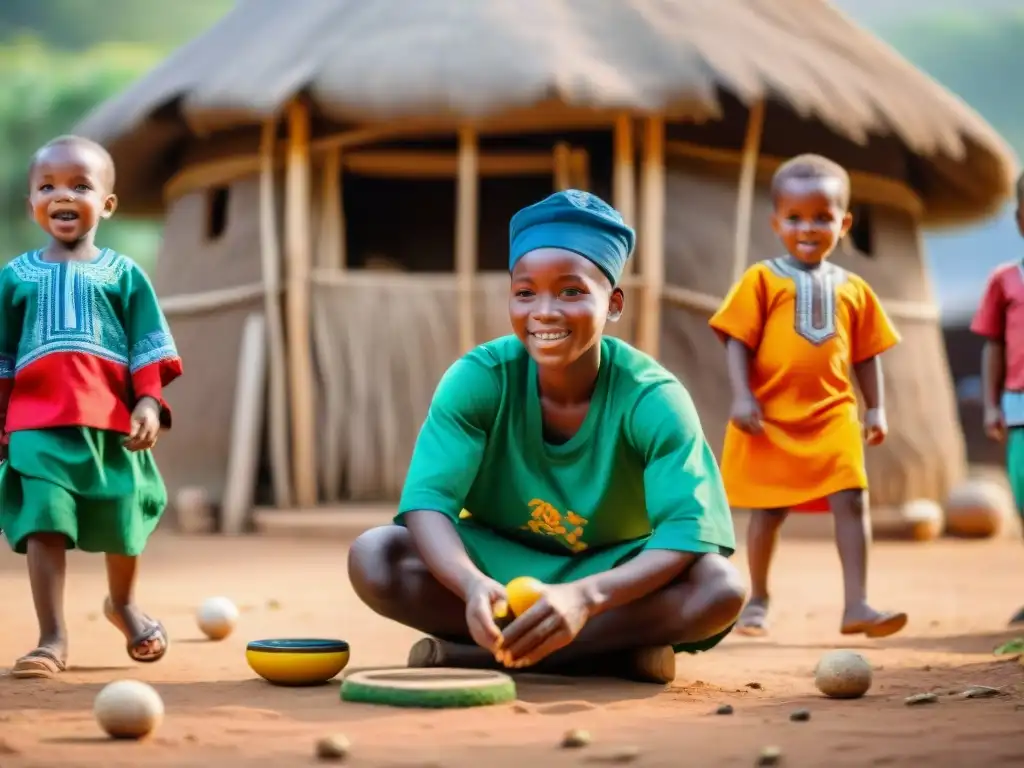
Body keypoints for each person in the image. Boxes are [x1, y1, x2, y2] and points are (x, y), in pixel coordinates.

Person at [347, 189, 744, 685]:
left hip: (614, 574)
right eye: (526, 292)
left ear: (614, 302)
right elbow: (429, 504)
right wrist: (470, 584)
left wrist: (585, 596)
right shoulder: (479, 379)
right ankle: (609, 657)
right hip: (498, 564)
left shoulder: (653, 399)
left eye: (572, 291)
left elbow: (686, 532)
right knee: (376, 557)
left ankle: (488, 655)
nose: (545, 311)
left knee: (719, 589)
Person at [0, 135, 182, 678]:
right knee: (43, 522)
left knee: (125, 516)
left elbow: (147, 347)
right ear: (32, 202)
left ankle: (122, 605)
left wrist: (148, 402)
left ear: (106, 204)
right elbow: (3, 358)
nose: (64, 195)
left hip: (111, 424)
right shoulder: (14, 277)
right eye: (48, 185)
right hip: (37, 424)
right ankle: (51, 637)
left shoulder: (125, 274)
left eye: (81, 186)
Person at [708, 154, 907, 639]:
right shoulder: (761, 278)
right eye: (795, 217)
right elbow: (739, 341)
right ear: (776, 222)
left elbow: (866, 354)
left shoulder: (855, 289)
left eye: (823, 217)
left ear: (845, 223)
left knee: (852, 500)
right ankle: (758, 597)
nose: (808, 227)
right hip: (772, 413)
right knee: (769, 512)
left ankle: (856, 603)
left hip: (833, 412)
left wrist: (875, 406)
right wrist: (743, 397)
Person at [970, 171, 1024, 625]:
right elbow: (994, 344)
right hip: (1019, 406)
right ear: (1021, 219)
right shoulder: (1005, 280)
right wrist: (991, 404)